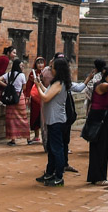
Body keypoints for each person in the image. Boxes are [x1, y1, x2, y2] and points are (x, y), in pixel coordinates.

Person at [35, 57, 73, 187]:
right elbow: (47, 92)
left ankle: (59, 176)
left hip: (57, 120)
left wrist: (36, 87)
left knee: (57, 149)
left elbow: (45, 97)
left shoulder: (59, 83)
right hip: (52, 119)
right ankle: (50, 172)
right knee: (52, 148)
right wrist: (39, 84)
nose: (51, 70)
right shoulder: (56, 82)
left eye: (53, 68)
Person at [85, 68, 108, 185]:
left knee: (102, 150)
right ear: (105, 76)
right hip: (96, 121)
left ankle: (99, 176)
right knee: (97, 149)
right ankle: (97, 177)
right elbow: (107, 86)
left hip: (104, 122)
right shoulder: (101, 86)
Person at [0, 59, 28, 144]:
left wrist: (8, 86)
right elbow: (24, 87)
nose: (22, 67)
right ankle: (27, 138)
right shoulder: (22, 75)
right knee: (23, 118)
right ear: (18, 66)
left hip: (10, 98)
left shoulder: (8, 74)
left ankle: (13, 139)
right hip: (19, 97)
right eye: (21, 65)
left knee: (11, 119)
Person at [27, 57, 46, 145]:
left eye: (42, 63)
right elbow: (28, 86)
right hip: (35, 98)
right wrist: (27, 97)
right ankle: (36, 136)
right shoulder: (32, 73)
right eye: (38, 63)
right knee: (35, 116)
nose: (40, 65)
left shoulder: (46, 73)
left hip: (45, 97)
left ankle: (45, 136)